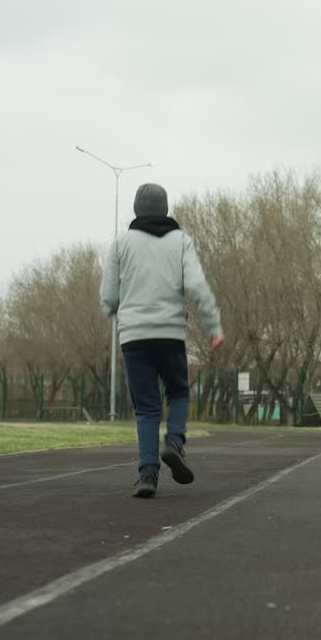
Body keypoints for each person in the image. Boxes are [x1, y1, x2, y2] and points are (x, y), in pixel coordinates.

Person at [100, 183, 225, 499]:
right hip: (169, 333)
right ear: (166, 208)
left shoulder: (120, 244)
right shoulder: (181, 241)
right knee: (179, 391)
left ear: (136, 209)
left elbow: (110, 295)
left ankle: (147, 474)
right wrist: (214, 326)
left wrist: (113, 309)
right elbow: (196, 284)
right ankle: (175, 442)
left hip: (134, 336)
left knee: (145, 407)